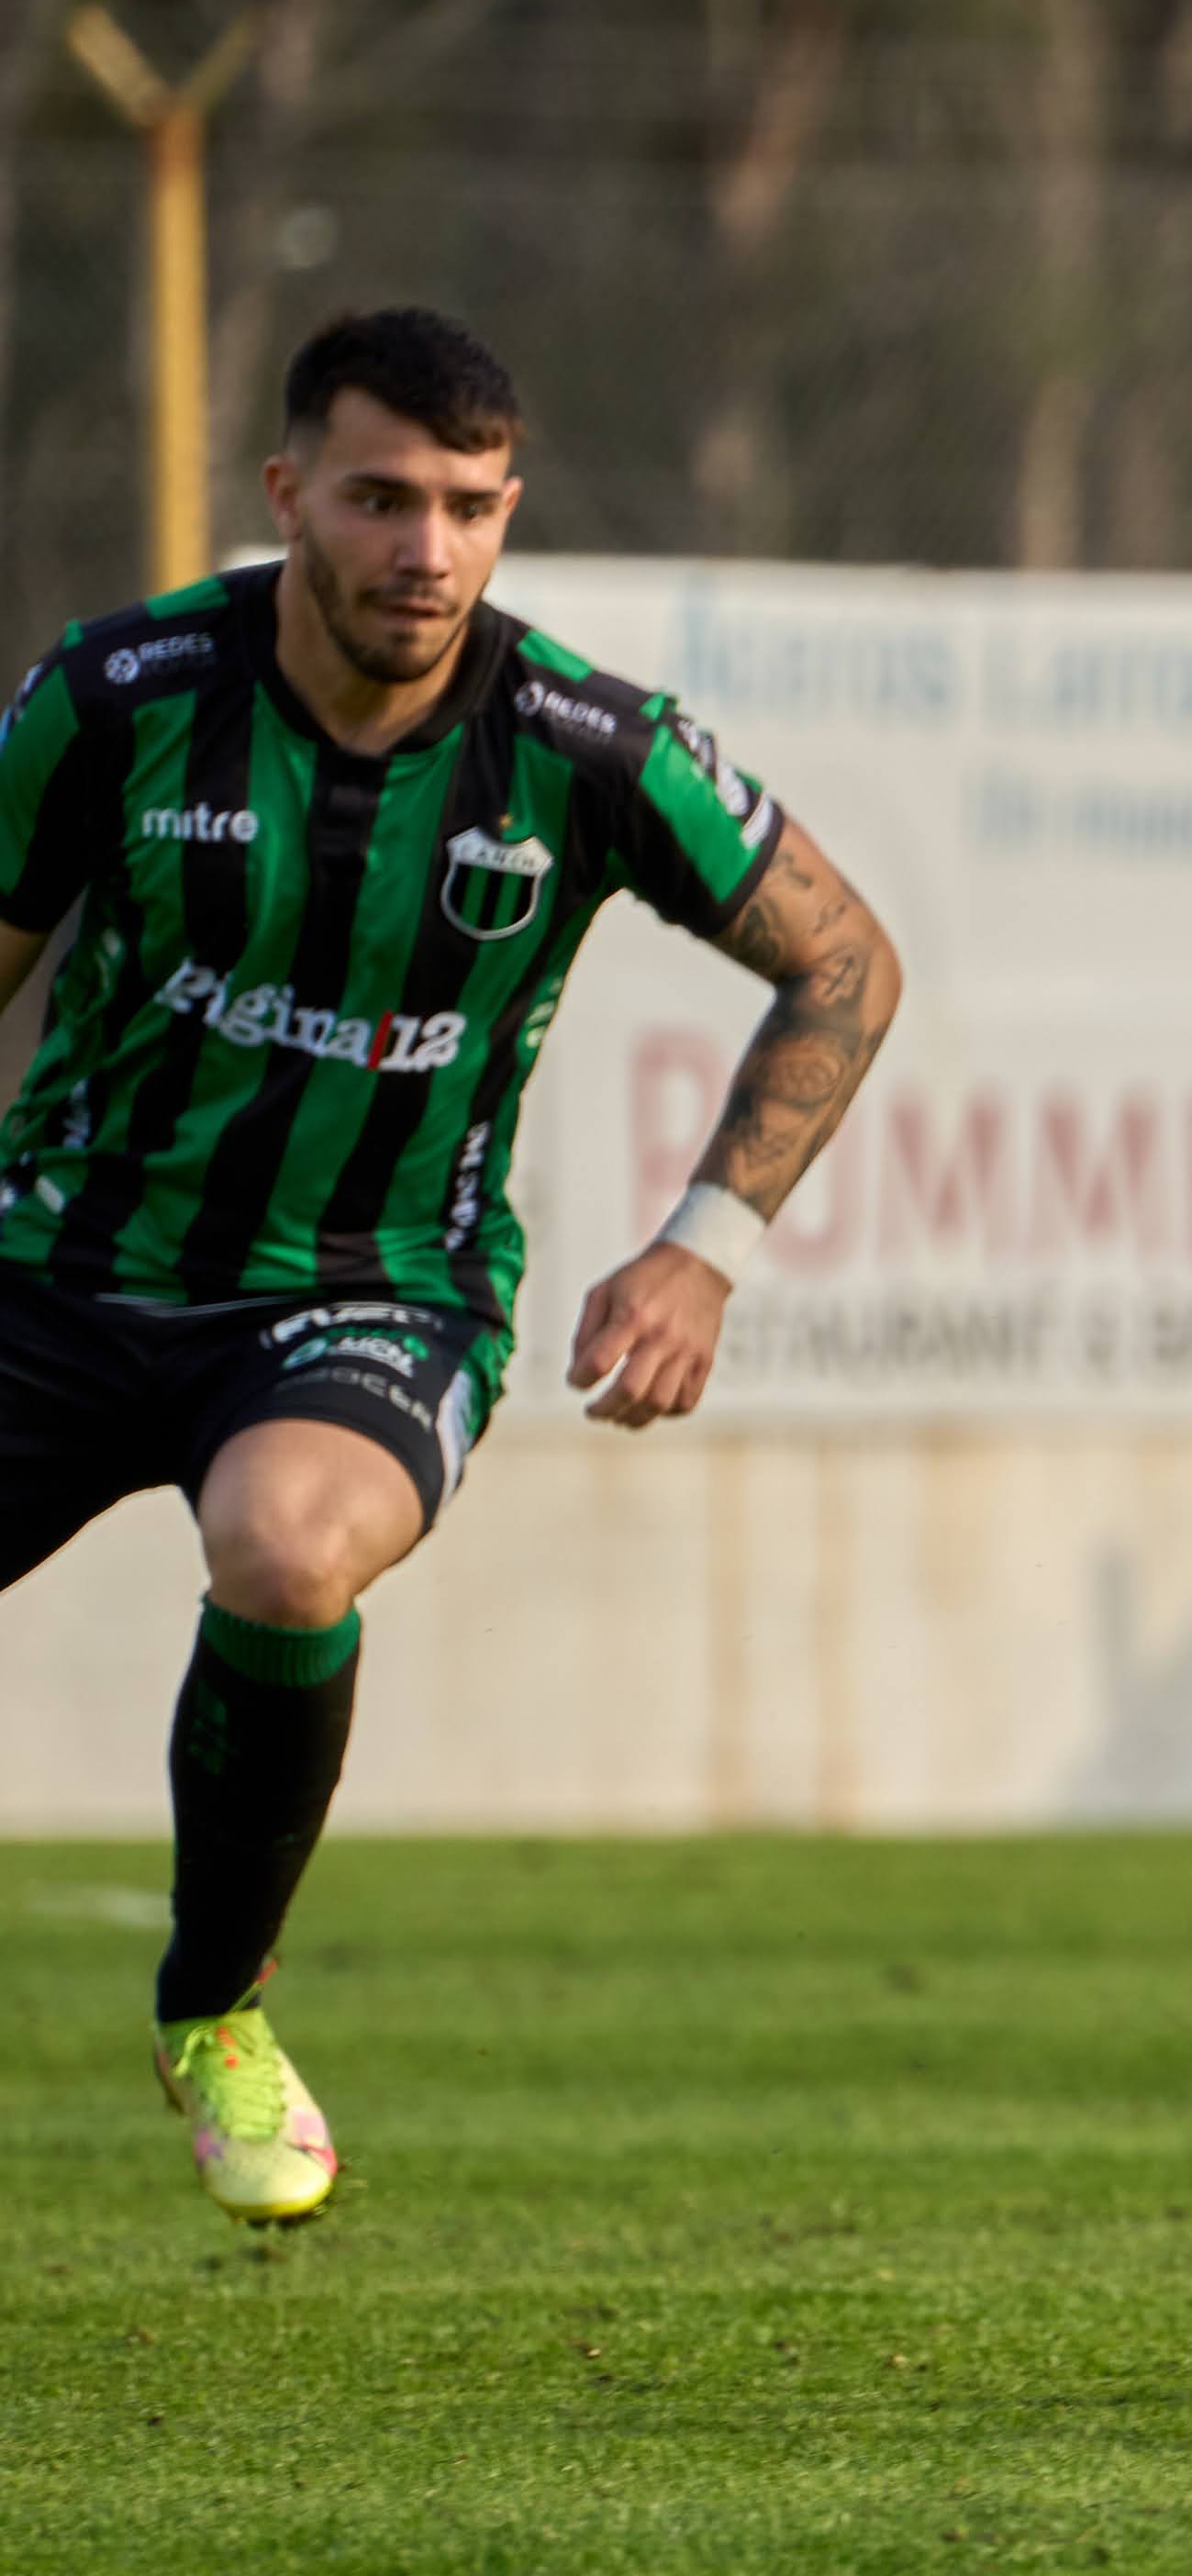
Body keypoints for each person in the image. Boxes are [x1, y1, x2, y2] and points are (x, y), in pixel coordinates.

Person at [0, 307, 902, 2225]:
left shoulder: (586, 745)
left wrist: (705, 1248)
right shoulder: (113, 693)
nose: (429, 549)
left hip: (373, 1282)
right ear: (289, 495)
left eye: (472, 507)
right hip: (59, 1263)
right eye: (384, 498)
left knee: (288, 1541)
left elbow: (846, 958)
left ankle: (216, 2005)